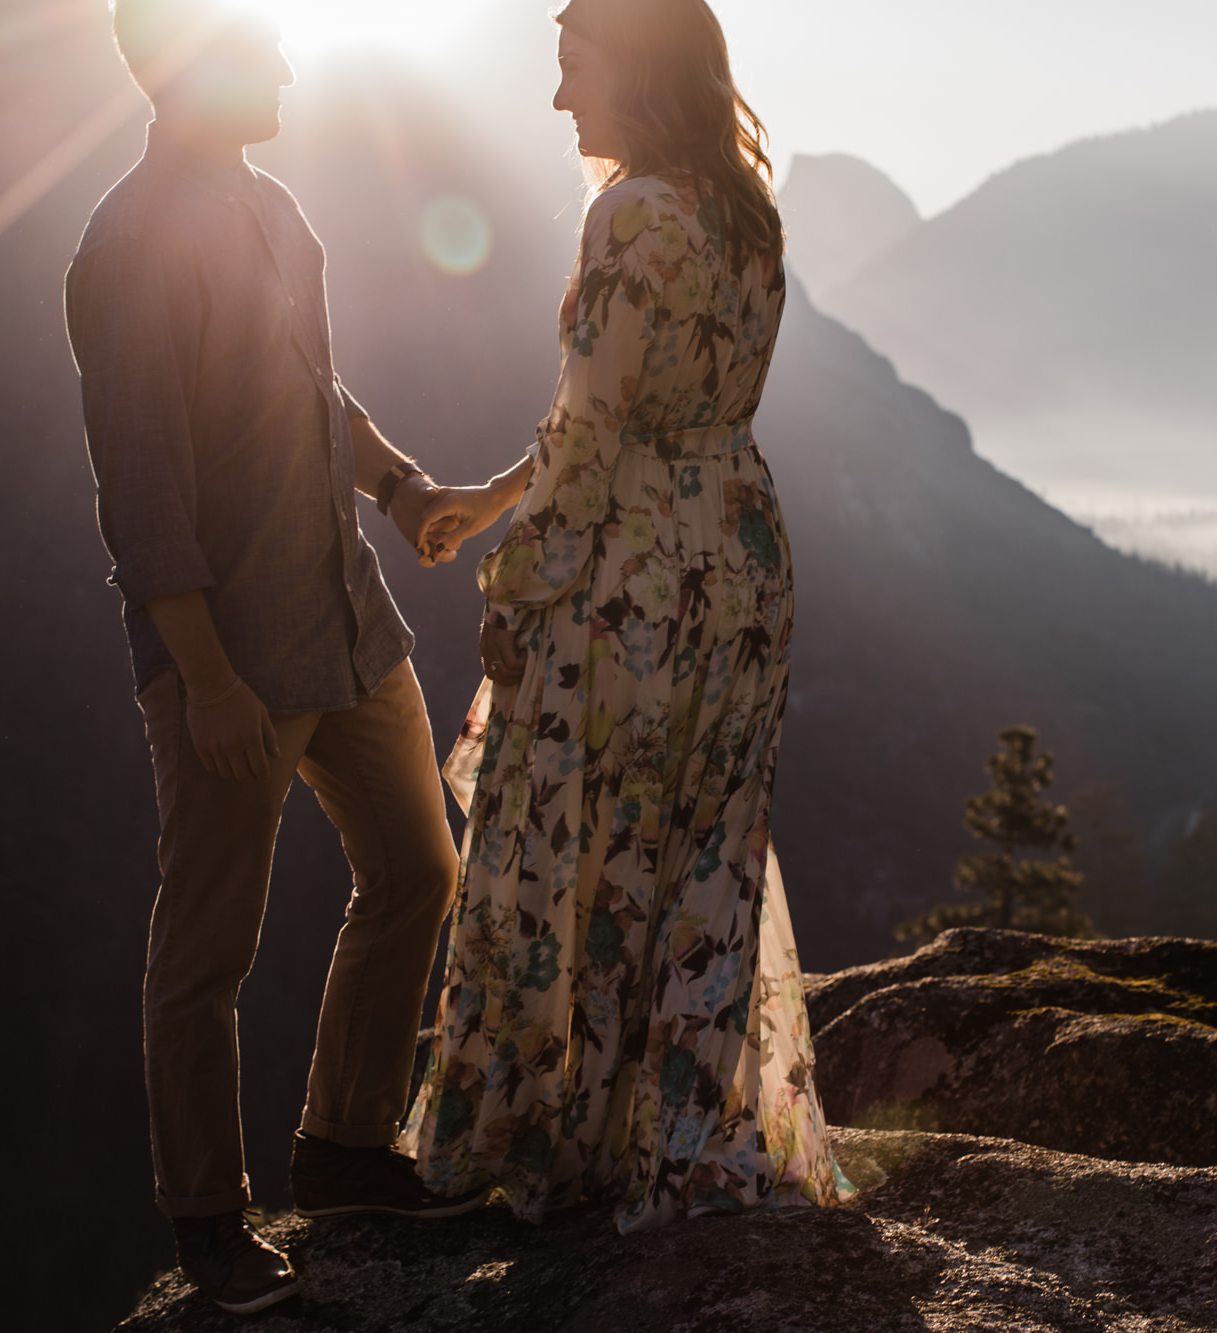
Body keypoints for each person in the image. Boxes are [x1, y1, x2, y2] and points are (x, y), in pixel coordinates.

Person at [410, 0, 854, 1230]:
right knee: (700, 855)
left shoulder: (627, 215)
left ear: (638, 67)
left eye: (572, 67)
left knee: (576, 848)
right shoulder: (746, 218)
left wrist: (512, 588)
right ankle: (675, 1140)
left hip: (631, 589)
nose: (560, 102)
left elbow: (596, 435)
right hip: (743, 572)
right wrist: (491, 495)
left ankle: (548, 1140)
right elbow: (629, 411)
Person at [64, 0, 479, 1314]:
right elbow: (142, 487)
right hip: (230, 652)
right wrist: (207, 674)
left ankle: (345, 1145)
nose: (293, 59)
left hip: (348, 619)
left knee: (418, 868)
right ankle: (208, 1218)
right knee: (208, 950)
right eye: (265, 45)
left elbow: (313, 394)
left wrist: (403, 489)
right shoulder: (128, 246)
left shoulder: (280, 212)